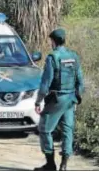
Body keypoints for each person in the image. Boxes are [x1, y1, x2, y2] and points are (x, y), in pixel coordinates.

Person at [34, 28, 84, 171]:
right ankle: (64, 165)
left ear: (53, 41)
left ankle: (50, 164)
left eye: (50, 41)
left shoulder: (53, 58)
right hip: (70, 99)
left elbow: (45, 85)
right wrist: (76, 99)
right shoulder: (74, 56)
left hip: (57, 99)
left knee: (44, 129)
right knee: (67, 130)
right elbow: (80, 82)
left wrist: (38, 101)